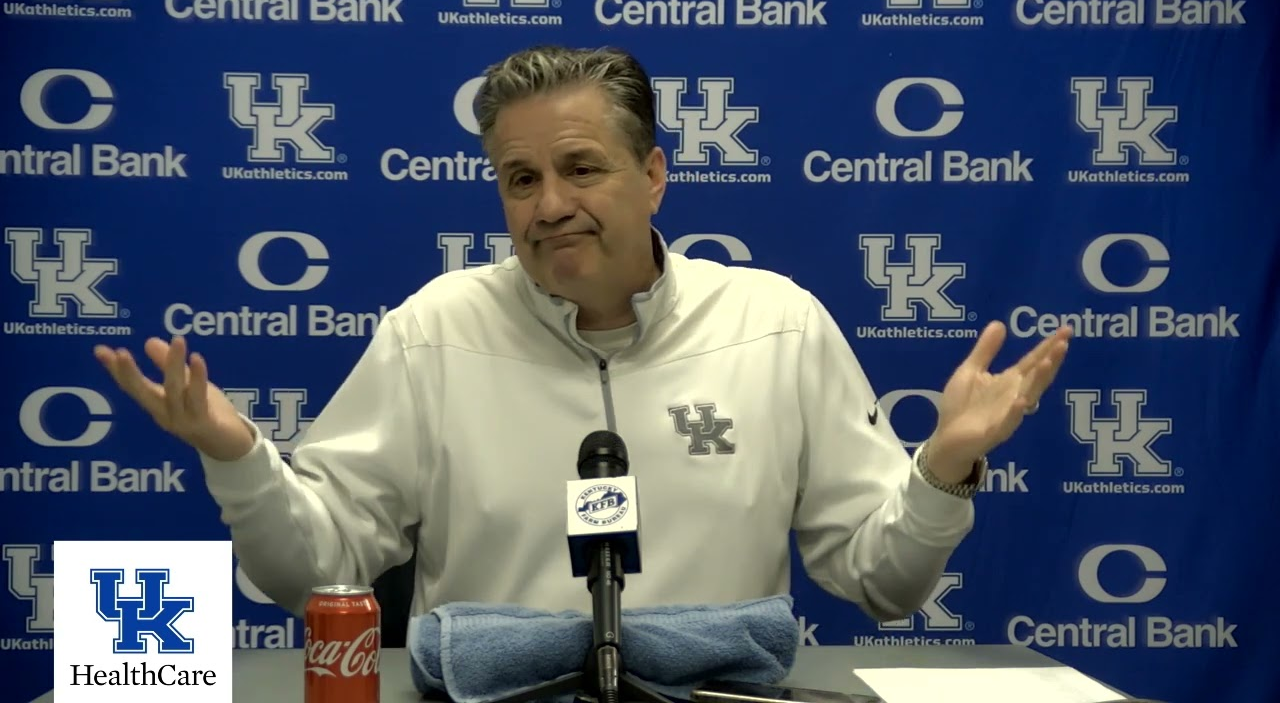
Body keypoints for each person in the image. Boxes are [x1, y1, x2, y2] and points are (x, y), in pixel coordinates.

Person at [93, 45, 1071, 627]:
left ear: (651, 176)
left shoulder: (776, 323)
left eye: (580, 168)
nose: (549, 205)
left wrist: (940, 470)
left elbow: (881, 584)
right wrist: (237, 459)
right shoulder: (433, 333)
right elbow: (311, 573)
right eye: (520, 180)